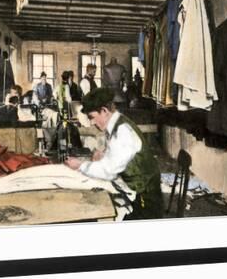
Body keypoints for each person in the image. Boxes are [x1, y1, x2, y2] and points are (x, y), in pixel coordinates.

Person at [64, 88, 163, 219]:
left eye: (92, 117)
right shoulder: (118, 123)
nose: (92, 123)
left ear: (104, 111)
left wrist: (80, 165)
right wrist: (104, 157)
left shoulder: (123, 131)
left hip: (144, 200)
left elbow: (108, 171)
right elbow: (119, 157)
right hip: (137, 191)